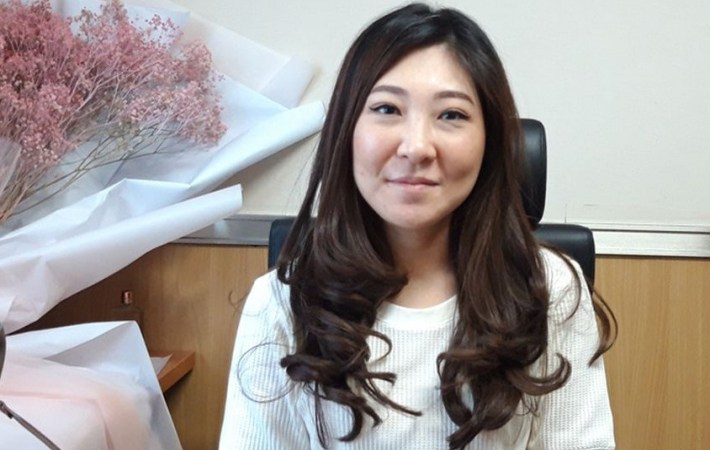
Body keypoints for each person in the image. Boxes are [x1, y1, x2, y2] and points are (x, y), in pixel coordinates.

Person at [219, 3, 616, 449]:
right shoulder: (281, 302)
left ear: (489, 141)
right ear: (347, 131)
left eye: (451, 115)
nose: (416, 147)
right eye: (387, 108)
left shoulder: (550, 288)